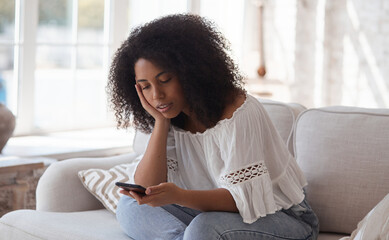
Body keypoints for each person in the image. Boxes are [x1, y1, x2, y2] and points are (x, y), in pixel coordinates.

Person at [107, 14, 319, 240]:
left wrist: (179, 196)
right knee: (130, 206)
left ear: (189, 71)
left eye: (165, 80)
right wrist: (161, 122)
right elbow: (147, 187)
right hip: (213, 215)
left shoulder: (239, 113)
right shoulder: (170, 115)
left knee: (203, 229)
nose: (157, 95)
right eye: (145, 86)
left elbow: (241, 202)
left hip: (283, 217)